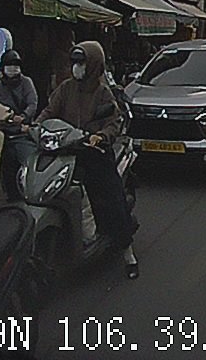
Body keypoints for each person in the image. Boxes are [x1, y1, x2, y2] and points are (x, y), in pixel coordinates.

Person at [37, 41, 139, 279]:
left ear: (93, 65)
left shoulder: (103, 93)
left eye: (81, 62)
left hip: (94, 153)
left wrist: (101, 136)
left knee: (111, 198)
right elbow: (49, 111)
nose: (77, 67)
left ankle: (128, 253)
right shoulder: (66, 88)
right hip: (65, 149)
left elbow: (114, 122)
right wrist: (35, 125)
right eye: (74, 62)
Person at [0, 49, 39, 200]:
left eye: (16, 65)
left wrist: (23, 117)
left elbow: (32, 103)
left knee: (28, 163)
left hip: (21, 132)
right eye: (9, 65)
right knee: (2, 166)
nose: (13, 68)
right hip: (2, 133)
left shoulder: (26, 83)